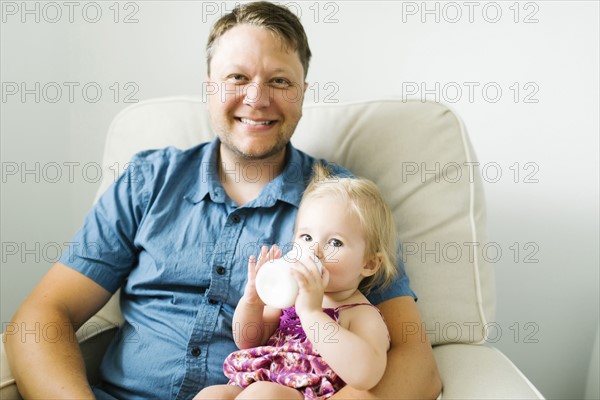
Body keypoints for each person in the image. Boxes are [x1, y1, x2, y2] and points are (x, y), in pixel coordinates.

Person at [5, 2, 442, 399]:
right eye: (237, 77)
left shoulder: (343, 207)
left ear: (303, 93)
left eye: (279, 81)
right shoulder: (147, 181)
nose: (257, 98)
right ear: (210, 87)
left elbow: (416, 364)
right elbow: (40, 318)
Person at [195, 165, 398, 400]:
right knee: (212, 394)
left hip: (305, 393)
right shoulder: (289, 295)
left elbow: (366, 376)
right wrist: (253, 301)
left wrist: (311, 313)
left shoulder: (361, 314)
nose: (314, 251)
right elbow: (247, 340)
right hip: (256, 383)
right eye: (307, 237)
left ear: (370, 264)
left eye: (335, 242)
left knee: (263, 394)